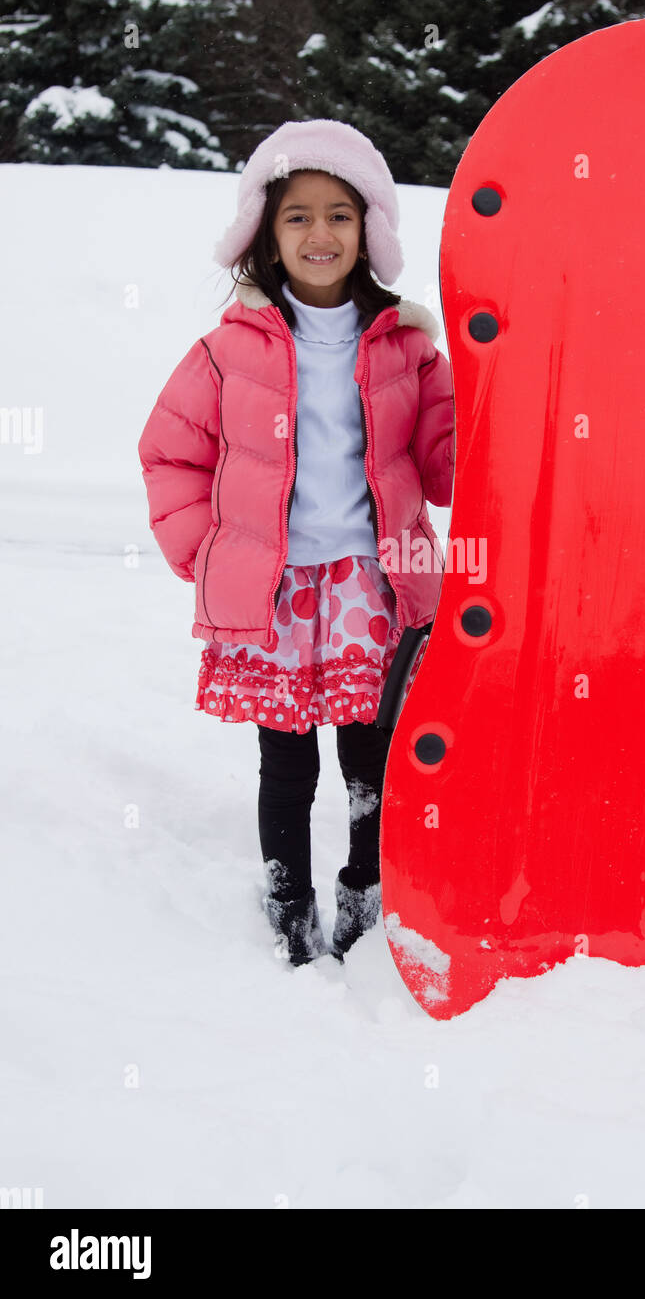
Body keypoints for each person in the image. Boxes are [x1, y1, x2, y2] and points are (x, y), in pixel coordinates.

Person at [137, 119, 455, 969]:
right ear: (267, 237)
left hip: (371, 586)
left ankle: (367, 886)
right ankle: (289, 895)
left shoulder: (408, 347)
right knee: (286, 760)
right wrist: (208, 556)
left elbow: (446, 465)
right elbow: (169, 452)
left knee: (371, 754)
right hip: (274, 592)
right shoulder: (226, 351)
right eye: (298, 217)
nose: (320, 234)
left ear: (369, 231)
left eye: (341, 215)